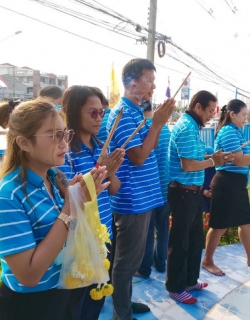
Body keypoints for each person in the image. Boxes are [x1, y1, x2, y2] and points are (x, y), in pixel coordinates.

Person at [0, 99, 109, 320]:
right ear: (24, 142)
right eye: (54, 135)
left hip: (62, 295)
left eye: (65, 134)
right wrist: (70, 209)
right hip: (30, 307)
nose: (64, 144)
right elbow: (29, 275)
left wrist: (81, 204)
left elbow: (67, 237)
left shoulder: (55, 179)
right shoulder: (6, 197)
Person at [106, 58, 175, 320]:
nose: (153, 87)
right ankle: (121, 314)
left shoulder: (136, 111)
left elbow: (151, 147)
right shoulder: (123, 114)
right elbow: (137, 157)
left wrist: (156, 123)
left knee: (130, 261)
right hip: (132, 200)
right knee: (126, 263)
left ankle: (125, 303)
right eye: (149, 80)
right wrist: (156, 123)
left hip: (143, 197)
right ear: (132, 82)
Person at [57, 85, 124, 320]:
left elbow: (113, 190)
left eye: (102, 112)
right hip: (79, 240)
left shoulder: (99, 147)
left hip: (101, 235)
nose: (99, 118)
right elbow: (68, 197)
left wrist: (109, 171)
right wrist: (102, 172)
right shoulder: (65, 153)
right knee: (77, 306)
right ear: (74, 112)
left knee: (96, 301)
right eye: (92, 113)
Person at [166, 90, 232, 304]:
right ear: (197, 107)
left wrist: (213, 156)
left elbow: (195, 156)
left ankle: (189, 280)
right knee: (180, 242)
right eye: (210, 110)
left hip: (192, 192)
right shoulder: (186, 128)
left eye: (214, 110)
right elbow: (188, 165)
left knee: (194, 240)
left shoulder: (193, 127)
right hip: (183, 192)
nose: (212, 115)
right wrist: (214, 162)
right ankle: (175, 287)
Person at [202, 99, 250, 277]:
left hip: (235, 183)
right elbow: (240, 160)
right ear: (232, 114)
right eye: (244, 115)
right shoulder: (228, 131)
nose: (246, 118)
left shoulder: (236, 131)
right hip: (226, 183)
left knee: (245, 223)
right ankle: (207, 260)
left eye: (247, 115)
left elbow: (241, 159)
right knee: (219, 226)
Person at [136, 100, 171, 278]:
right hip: (165, 185)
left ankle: (144, 267)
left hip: (149, 188)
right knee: (163, 226)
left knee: (148, 230)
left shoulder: (143, 128)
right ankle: (161, 263)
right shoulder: (164, 128)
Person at [202, 147, 216, 214]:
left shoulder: (216, 169)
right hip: (202, 194)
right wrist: (204, 190)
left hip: (214, 194)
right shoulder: (201, 169)